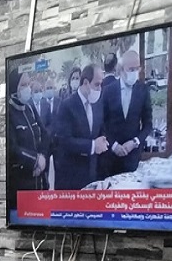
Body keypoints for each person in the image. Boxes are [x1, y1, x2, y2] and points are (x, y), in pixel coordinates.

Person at [52, 64, 108, 190]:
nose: (100, 89)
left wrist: (103, 140)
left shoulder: (98, 103)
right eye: (97, 84)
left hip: (92, 175)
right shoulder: (67, 105)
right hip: (71, 177)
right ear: (86, 83)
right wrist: (92, 146)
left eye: (101, 85)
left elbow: (100, 129)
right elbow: (64, 141)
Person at [102, 50, 153, 176]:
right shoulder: (108, 91)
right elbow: (102, 123)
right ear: (121, 69)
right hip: (111, 158)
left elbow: (148, 124)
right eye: (131, 69)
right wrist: (114, 145)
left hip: (132, 157)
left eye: (137, 68)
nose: (134, 73)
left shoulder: (143, 90)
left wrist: (135, 142)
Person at [7, 69, 49, 198]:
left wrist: (42, 158)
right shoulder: (9, 113)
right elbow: (12, 148)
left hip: (40, 181)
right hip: (20, 184)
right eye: (23, 85)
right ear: (14, 89)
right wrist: (35, 160)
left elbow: (44, 134)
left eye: (28, 84)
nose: (28, 89)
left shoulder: (30, 109)